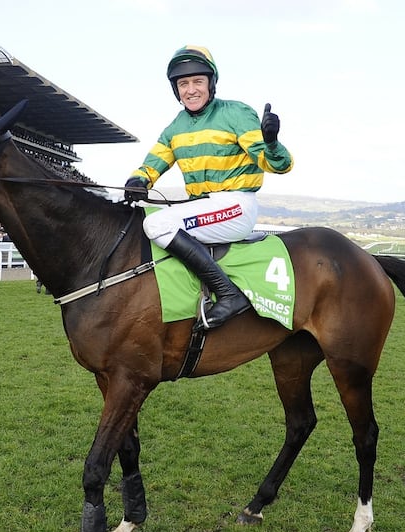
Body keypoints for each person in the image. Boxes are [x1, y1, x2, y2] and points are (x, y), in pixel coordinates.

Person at [124, 45, 294, 331]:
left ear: (211, 83)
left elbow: (277, 165)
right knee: (143, 215)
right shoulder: (176, 126)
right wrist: (138, 180)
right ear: (176, 90)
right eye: (183, 84)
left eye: (198, 82)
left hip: (235, 206)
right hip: (203, 206)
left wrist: (272, 142)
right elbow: (153, 162)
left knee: (157, 225)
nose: (191, 90)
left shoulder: (236, 113)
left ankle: (228, 294)